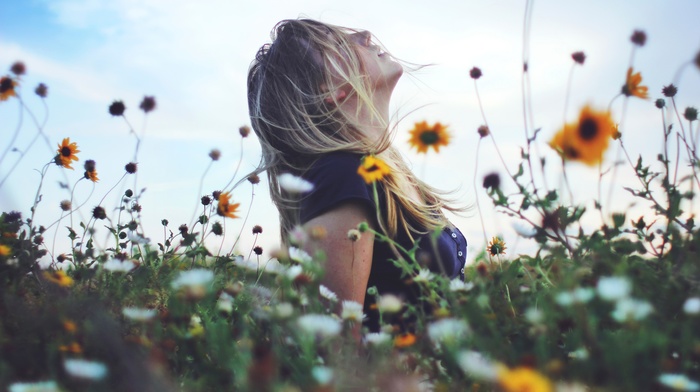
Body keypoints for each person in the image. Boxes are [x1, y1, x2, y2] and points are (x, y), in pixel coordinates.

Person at [247, 19, 467, 332]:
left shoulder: (382, 173)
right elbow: (339, 354)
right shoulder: (342, 179)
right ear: (329, 90)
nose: (364, 35)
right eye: (340, 44)